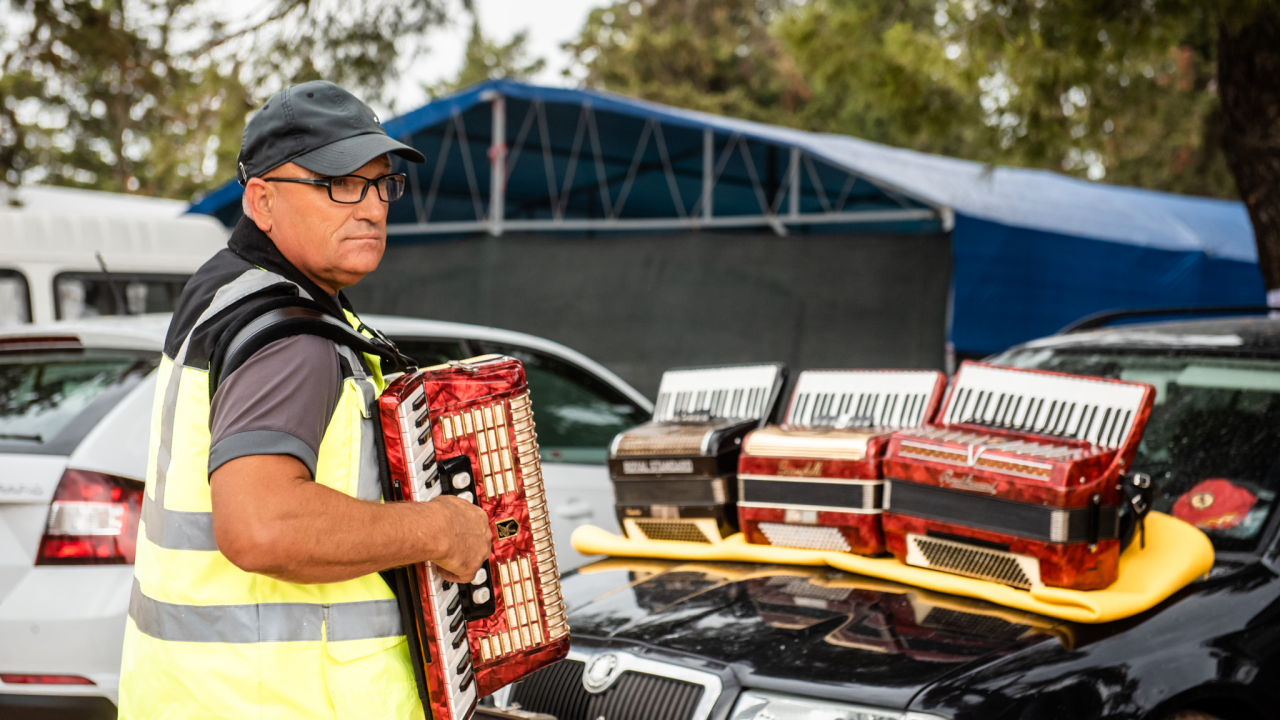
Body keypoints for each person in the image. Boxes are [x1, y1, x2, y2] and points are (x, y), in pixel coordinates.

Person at [118, 81, 493, 719]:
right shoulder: (291, 336)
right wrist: (439, 528)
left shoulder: (224, 290)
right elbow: (262, 527)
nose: (371, 208)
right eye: (339, 184)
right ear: (261, 201)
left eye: (381, 184)